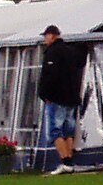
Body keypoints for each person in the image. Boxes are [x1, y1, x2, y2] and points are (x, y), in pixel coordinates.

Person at [35, 25, 84, 173]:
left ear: (52, 36)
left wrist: (44, 94)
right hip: (72, 98)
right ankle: (69, 162)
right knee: (68, 131)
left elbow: (51, 76)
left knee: (55, 131)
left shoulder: (52, 52)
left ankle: (65, 161)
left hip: (57, 98)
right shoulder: (71, 51)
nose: (45, 39)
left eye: (46, 36)